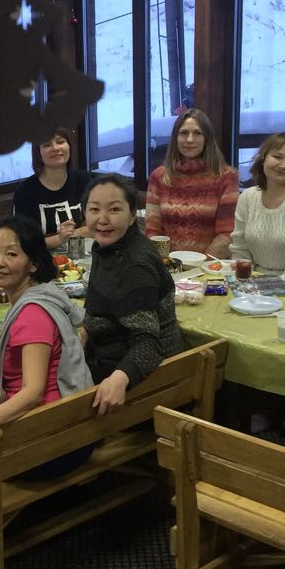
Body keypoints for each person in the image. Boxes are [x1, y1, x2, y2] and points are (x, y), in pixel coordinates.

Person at [0, 218, 94, 476]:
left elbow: (33, 392)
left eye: (12, 254)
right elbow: (6, 386)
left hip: (52, 444)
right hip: (66, 429)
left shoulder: (31, 314)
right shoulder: (44, 294)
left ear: (34, 264)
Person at [83, 174, 184, 415]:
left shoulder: (135, 265)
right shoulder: (107, 248)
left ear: (131, 216)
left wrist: (119, 378)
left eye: (114, 209)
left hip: (148, 387)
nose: (102, 219)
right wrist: (86, 332)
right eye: (94, 209)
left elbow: (148, 343)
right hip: (110, 364)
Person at [145, 108, 239, 257]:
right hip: (168, 265)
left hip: (210, 266)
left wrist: (201, 265)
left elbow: (227, 234)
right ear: (175, 138)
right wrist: (168, 264)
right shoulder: (159, 177)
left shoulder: (227, 177)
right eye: (184, 133)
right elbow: (153, 231)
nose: (189, 139)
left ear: (207, 138)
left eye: (197, 133)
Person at [229, 132, 285, 280]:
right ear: (263, 158)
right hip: (251, 282)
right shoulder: (247, 197)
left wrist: (270, 287)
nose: (283, 165)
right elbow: (240, 251)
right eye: (277, 157)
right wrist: (245, 283)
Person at [12, 128, 91, 250]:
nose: (55, 148)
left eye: (60, 142)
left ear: (69, 147)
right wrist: (59, 239)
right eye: (47, 145)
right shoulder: (25, 192)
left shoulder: (84, 180)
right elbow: (24, 242)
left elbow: (95, 226)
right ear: (38, 153)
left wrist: (72, 234)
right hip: (43, 258)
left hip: (85, 254)